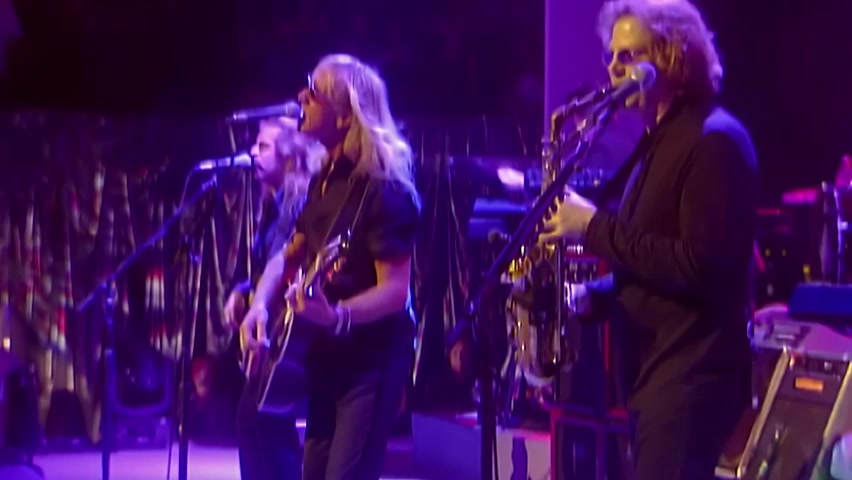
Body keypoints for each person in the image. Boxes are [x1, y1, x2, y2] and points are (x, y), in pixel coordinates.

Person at [539, 1, 758, 479]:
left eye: (628, 56)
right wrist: (590, 295)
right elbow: (651, 256)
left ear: (672, 56)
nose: (613, 69)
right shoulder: (657, 141)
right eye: (611, 56)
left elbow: (700, 265)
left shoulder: (714, 141)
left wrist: (592, 228)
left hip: (690, 383)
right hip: (654, 377)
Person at [240, 53, 420, 480]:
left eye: (314, 90)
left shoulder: (385, 189)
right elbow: (287, 256)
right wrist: (259, 306)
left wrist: (337, 315)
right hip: (326, 356)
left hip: (372, 361)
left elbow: (395, 291)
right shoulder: (325, 181)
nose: (300, 95)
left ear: (344, 115)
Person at [224, 105, 323, 480]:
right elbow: (268, 263)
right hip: (274, 327)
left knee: (263, 419)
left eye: (263, 146)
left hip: (293, 333)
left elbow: (289, 263)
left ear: (290, 156)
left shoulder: (300, 202)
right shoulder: (272, 203)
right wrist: (243, 290)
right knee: (254, 419)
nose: (252, 152)